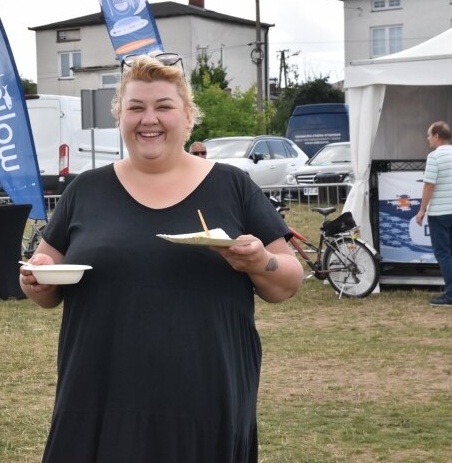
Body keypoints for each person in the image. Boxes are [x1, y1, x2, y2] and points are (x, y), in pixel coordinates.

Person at [19, 53, 304, 463]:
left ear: (188, 117)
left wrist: (261, 263)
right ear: (120, 117)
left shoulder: (231, 186)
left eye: (163, 107)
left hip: (205, 400)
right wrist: (37, 278)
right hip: (98, 396)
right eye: (135, 108)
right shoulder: (86, 190)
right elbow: (43, 285)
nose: (148, 119)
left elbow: (288, 281)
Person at [415, 120, 452, 307]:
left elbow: (429, 184)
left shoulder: (434, 157)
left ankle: (451, 294)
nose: (428, 138)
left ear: (437, 136)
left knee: (444, 253)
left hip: (440, 212)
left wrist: (422, 210)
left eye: (429, 135)